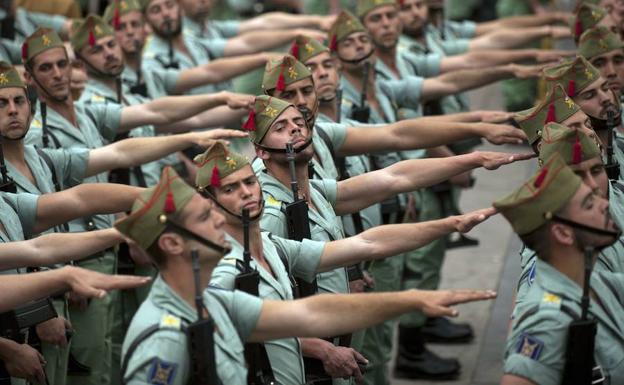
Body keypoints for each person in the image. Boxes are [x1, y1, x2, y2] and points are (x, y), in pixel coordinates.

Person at [115, 165, 497, 385]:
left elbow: (312, 315)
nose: (219, 216)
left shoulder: (211, 303)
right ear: (173, 245)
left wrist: (413, 300)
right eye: (204, 216)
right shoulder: (163, 337)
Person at [495, 154, 624, 385]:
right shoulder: (547, 320)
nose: (604, 204)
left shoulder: (599, 284)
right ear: (563, 233)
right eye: (589, 204)